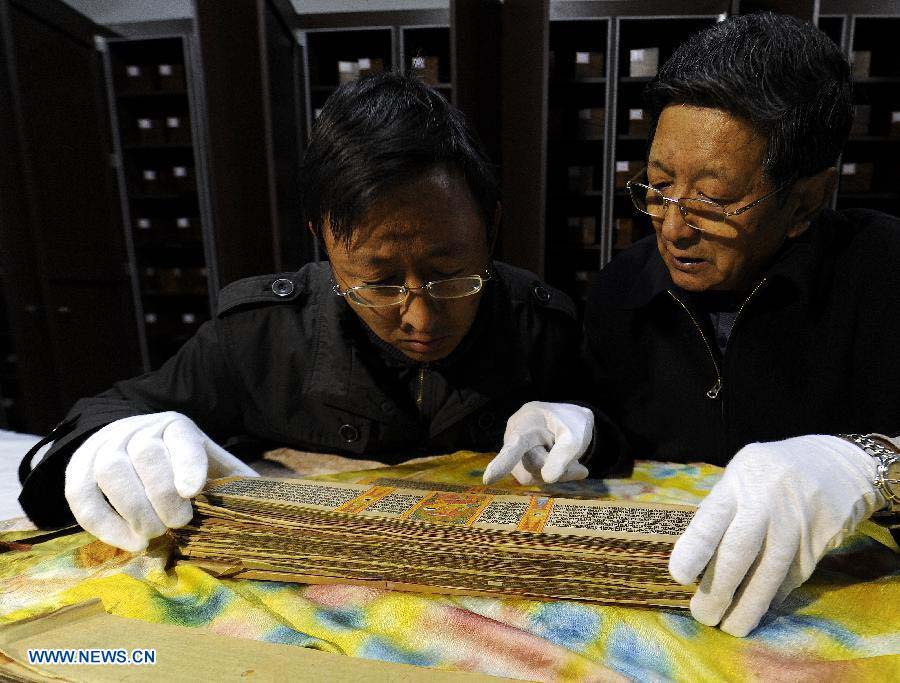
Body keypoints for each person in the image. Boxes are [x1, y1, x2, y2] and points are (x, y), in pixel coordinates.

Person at [18, 73, 605, 552]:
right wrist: (109, 440)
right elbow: (108, 414)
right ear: (325, 243)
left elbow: (625, 440)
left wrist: (586, 427)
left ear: (491, 228)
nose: (422, 320)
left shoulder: (538, 323)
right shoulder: (258, 336)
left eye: (451, 276)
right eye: (377, 282)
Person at [486, 13, 900, 637]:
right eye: (658, 186)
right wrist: (581, 431)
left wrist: (870, 466)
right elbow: (629, 438)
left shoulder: (885, 271)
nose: (674, 229)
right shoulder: (626, 285)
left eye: (713, 199)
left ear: (808, 199)